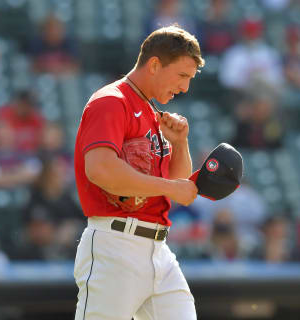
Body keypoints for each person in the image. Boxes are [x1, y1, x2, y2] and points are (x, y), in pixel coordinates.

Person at [73, 25, 204, 320]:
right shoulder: (111, 101)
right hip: (114, 245)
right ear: (155, 64)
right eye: (182, 76)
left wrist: (180, 144)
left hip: (157, 248)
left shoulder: (149, 111)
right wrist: (171, 188)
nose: (185, 88)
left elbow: (174, 184)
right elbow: (100, 169)